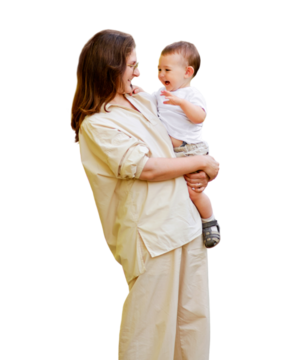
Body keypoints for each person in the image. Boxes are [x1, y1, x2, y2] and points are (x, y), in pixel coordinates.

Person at [70, 28, 220, 360]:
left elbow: (172, 142)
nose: (140, 74)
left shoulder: (140, 98)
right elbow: (146, 167)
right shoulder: (97, 124)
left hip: (186, 224)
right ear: (110, 69)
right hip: (152, 237)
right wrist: (205, 161)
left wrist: (204, 163)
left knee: (191, 327)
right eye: (132, 66)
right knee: (150, 336)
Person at [150, 39, 220, 248]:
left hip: (191, 149)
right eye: (159, 69)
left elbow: (200, 117)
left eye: (167, 70)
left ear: (187, 72)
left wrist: (181, 102)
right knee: (175, 191)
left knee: (193, 191)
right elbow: (146, 101)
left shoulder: (192, 94)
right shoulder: (159, 93)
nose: (161, 74)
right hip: (172, 152)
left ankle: (210, 220)